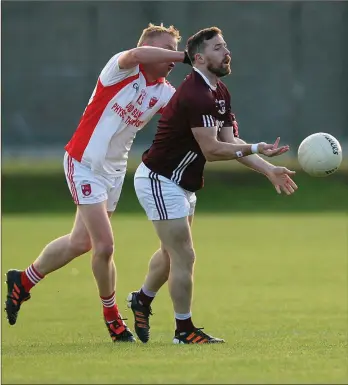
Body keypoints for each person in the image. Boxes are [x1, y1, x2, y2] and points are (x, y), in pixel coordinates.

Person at [5, 23, 193, 343]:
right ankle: (113, 319)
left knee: (82, 243)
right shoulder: (121, 69)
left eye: (174, 51)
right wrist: (186, 55)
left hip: (113, 173)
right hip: (84, 163)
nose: (171, 58)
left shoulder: (164, 91)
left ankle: (23, 280)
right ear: (149, 49)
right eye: (165, 50)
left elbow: (189, 116)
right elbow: (135, 53)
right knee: (104, 245)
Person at [127, 26, 298, 344]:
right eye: (219, 48)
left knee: (170, 253)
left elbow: (231, 142)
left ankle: (142, 299)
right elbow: (213, 150)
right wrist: (256, 149)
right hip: (160, 180)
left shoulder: (219, 91)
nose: (227, 52)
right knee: (185, 255)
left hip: (182, 183)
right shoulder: (196, 94)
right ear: (200, 58)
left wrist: (268, 169)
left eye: (226, 46)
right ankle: (184, 331)